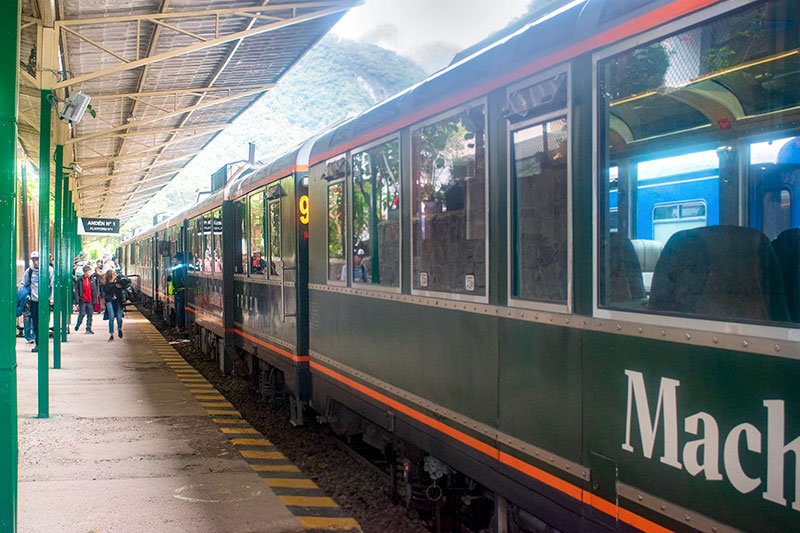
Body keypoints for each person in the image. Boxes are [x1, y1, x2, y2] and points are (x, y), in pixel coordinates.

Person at [23, 251, 53, 353]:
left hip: (45, 301)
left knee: (44, 322)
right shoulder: (29, 271)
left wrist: (52, 299)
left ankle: (43, 343)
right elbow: (25, 284)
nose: (36, 262)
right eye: (34, 260)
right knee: (35, 323)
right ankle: (38, 344)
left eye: (37, 260)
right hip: (34, 300)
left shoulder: (49, 270)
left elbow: (53, 284)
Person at [101, 270, 128, 341]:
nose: (111, 280)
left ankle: (119, 328)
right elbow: (106, 291)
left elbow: (127, 283)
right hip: (110, 301)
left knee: (119, 317)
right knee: (111, 317)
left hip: (119, 301)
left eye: (112, 278)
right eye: (110, 278)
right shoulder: (105, 284)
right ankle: (111, 334)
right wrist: (114, 285)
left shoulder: (119, 280)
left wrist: (120, 285)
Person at [73, 264, 98, 334]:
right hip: (83, 300)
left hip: (90, 300)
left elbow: (94, 290)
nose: (90, 274)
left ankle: (88, 328)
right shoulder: (80, 281)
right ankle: (78, 324)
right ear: (85, 272)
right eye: (89, 272)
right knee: (82, 314)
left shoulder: (92, 280)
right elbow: (77, 290)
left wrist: (95, 300)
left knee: (90, 315)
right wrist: (77, 299)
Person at [171, 252, 188, 334]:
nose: (174, 260)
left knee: (180, 310)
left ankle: (180, 326)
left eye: (175, 259)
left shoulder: (181, 268)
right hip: (177, 291)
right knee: (178, 310)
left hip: (181, 292)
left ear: (178, 259)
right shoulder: (177, 268)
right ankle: (179, 326)